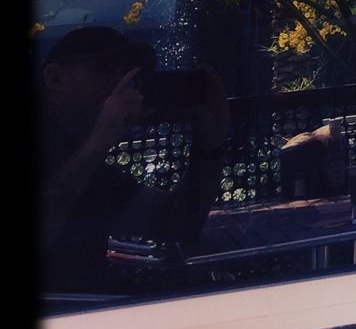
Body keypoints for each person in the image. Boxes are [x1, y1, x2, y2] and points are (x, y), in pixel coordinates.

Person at [37, 26, 231, 295]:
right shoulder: (75, 152)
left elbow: (176, 224)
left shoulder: (82, 160)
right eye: (103, 68)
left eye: (129, 72)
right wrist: (98, 143)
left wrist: (209, 149)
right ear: (54, 78)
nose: (119, 83)